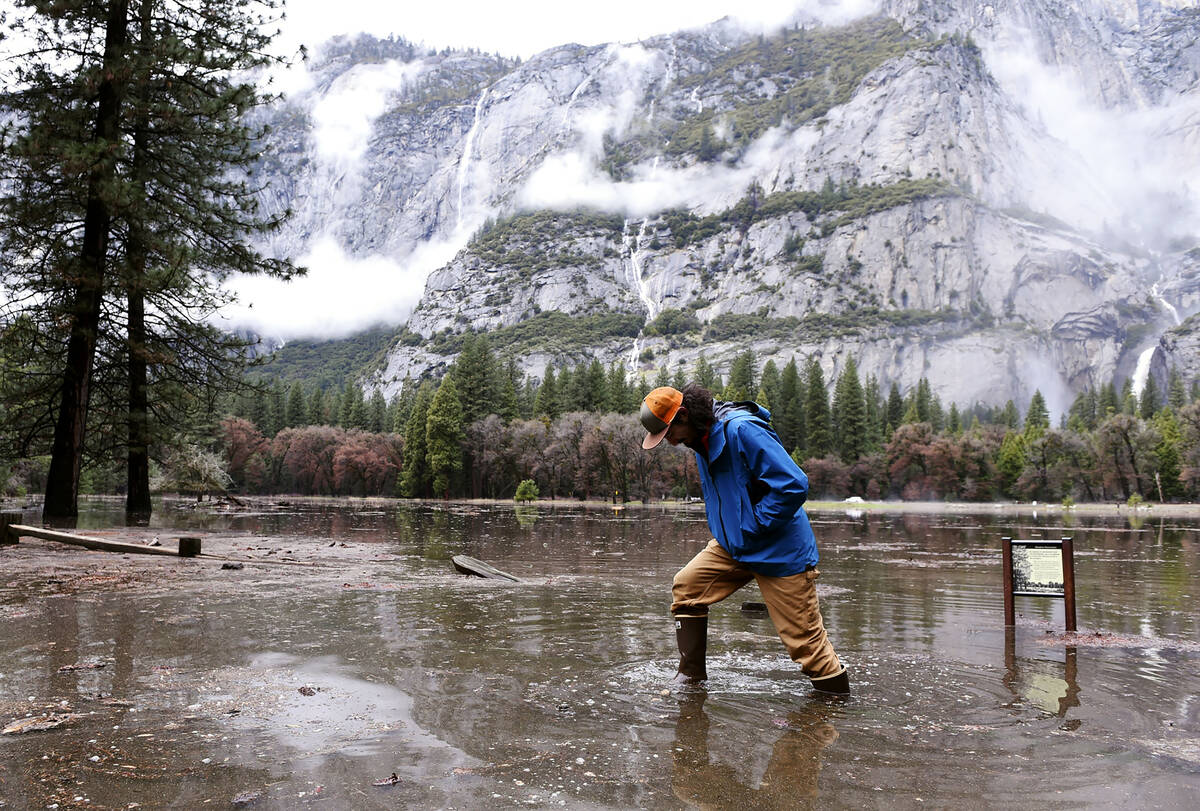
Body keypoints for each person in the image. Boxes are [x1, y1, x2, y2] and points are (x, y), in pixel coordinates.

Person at [639, 383, 849, 695]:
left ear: (684, 415)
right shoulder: (700, 441)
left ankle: (838, 711)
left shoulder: (742, 429)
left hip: (780, 552)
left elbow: (793, 484)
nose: (670, 442)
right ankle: (691, 678)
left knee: (809, 650)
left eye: (669, 432)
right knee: (687, 586)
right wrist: (734, 532)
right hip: (733, 547)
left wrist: (753, 526)